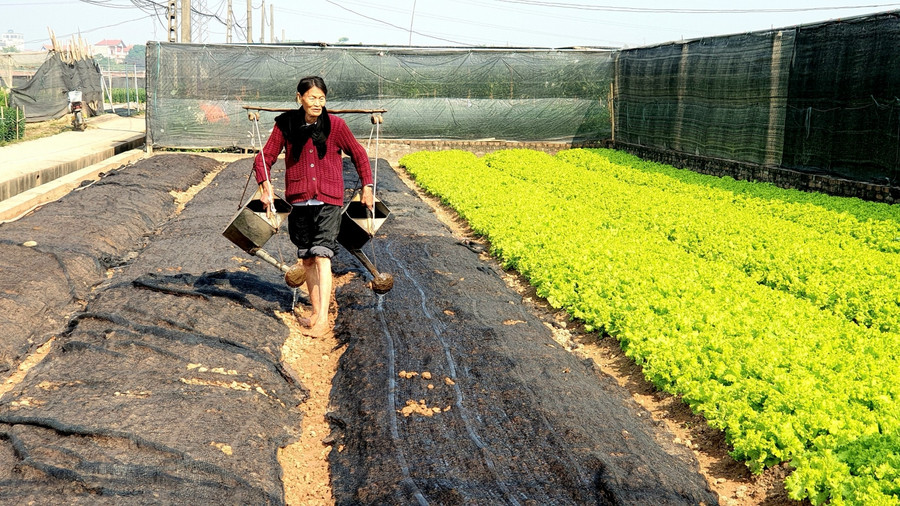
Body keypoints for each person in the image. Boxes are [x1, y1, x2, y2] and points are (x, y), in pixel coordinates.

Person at [254, 75, 374, 337]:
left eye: (322, 98)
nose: (317, 102)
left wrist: (367, 186)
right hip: (298, 200)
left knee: (322, 255)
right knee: (307, 258)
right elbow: (264, 157)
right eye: (312, 97)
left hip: (328, 199)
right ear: (300, 98)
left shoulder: (337, 126)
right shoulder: (285, 125)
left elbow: (359, 154)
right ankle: (315, 310)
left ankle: (323, 320)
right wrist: (265, 186)